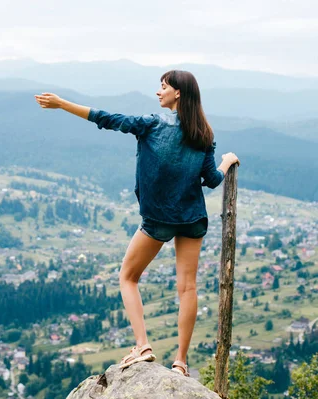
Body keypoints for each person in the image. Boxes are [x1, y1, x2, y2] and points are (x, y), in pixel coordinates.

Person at [34, 70, 239, 376]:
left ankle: (142, 346)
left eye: (163, 87)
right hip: (192, 218)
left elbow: (105, 118)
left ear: (178, 93)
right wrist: (227, 160)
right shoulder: (203, 135)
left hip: (158, 219)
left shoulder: (152, 124)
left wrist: (62, 104)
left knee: (128, 277)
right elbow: (211, 180)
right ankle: (181, 363)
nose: (159, 92)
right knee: (188, 288)